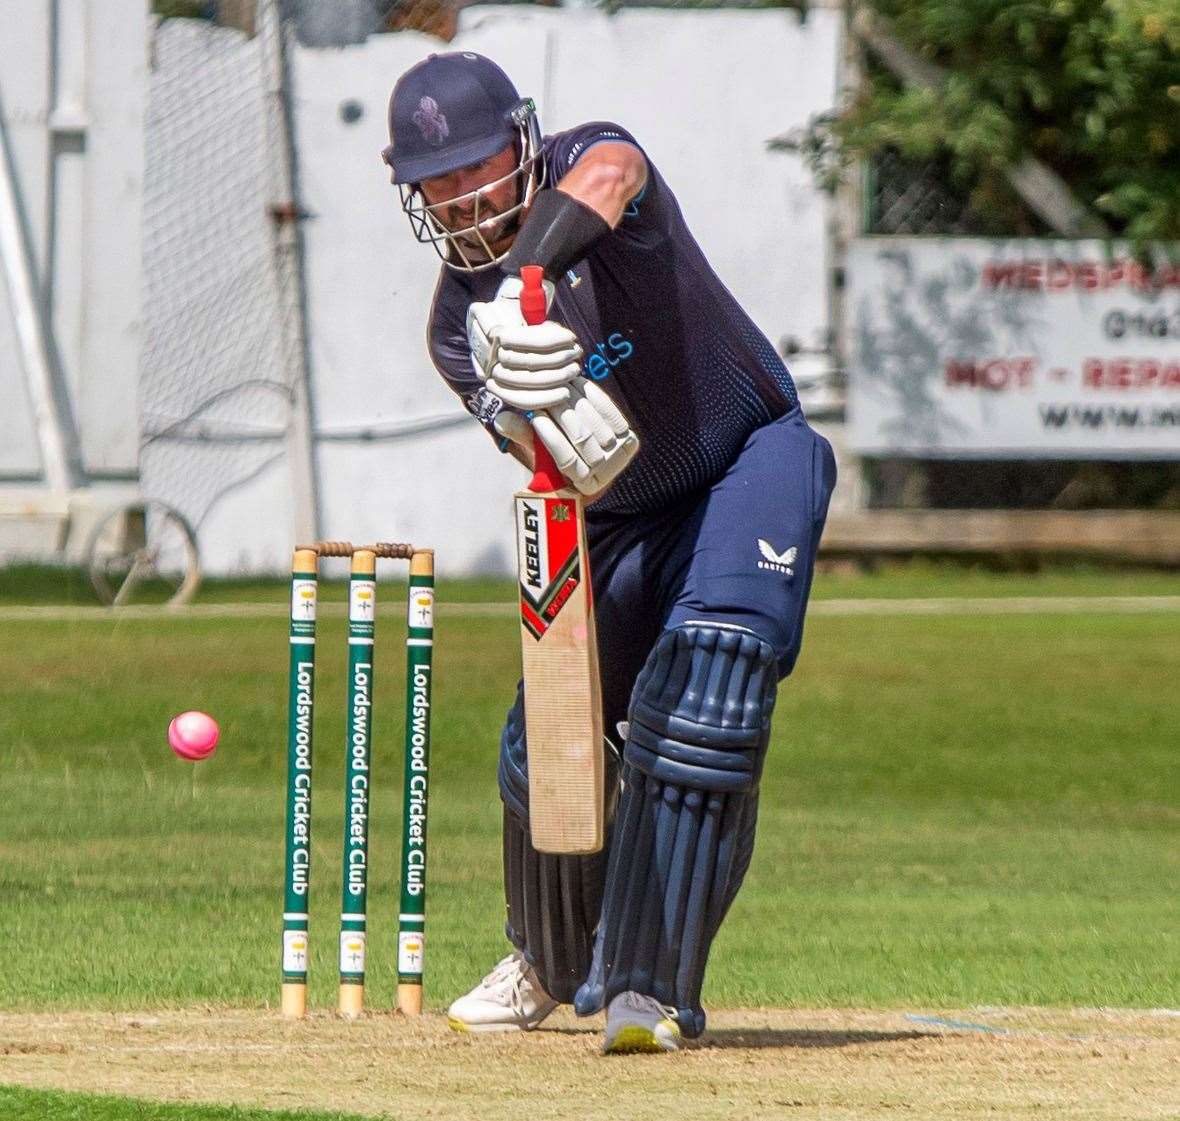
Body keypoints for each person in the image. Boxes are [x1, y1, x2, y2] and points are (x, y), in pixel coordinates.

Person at [383, 51, 836, 1054]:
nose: (459, 194)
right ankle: (549, 959)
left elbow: (615, 169)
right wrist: (541, 404)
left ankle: (645, 985)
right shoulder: (458, 329)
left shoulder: (588, 168)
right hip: (619, 517)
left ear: (522, 139)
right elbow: (549, 460)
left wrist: (530, 279)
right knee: (545, 742)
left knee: (707, 689)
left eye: (474, 162)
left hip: (744, 458)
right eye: (436, 181)